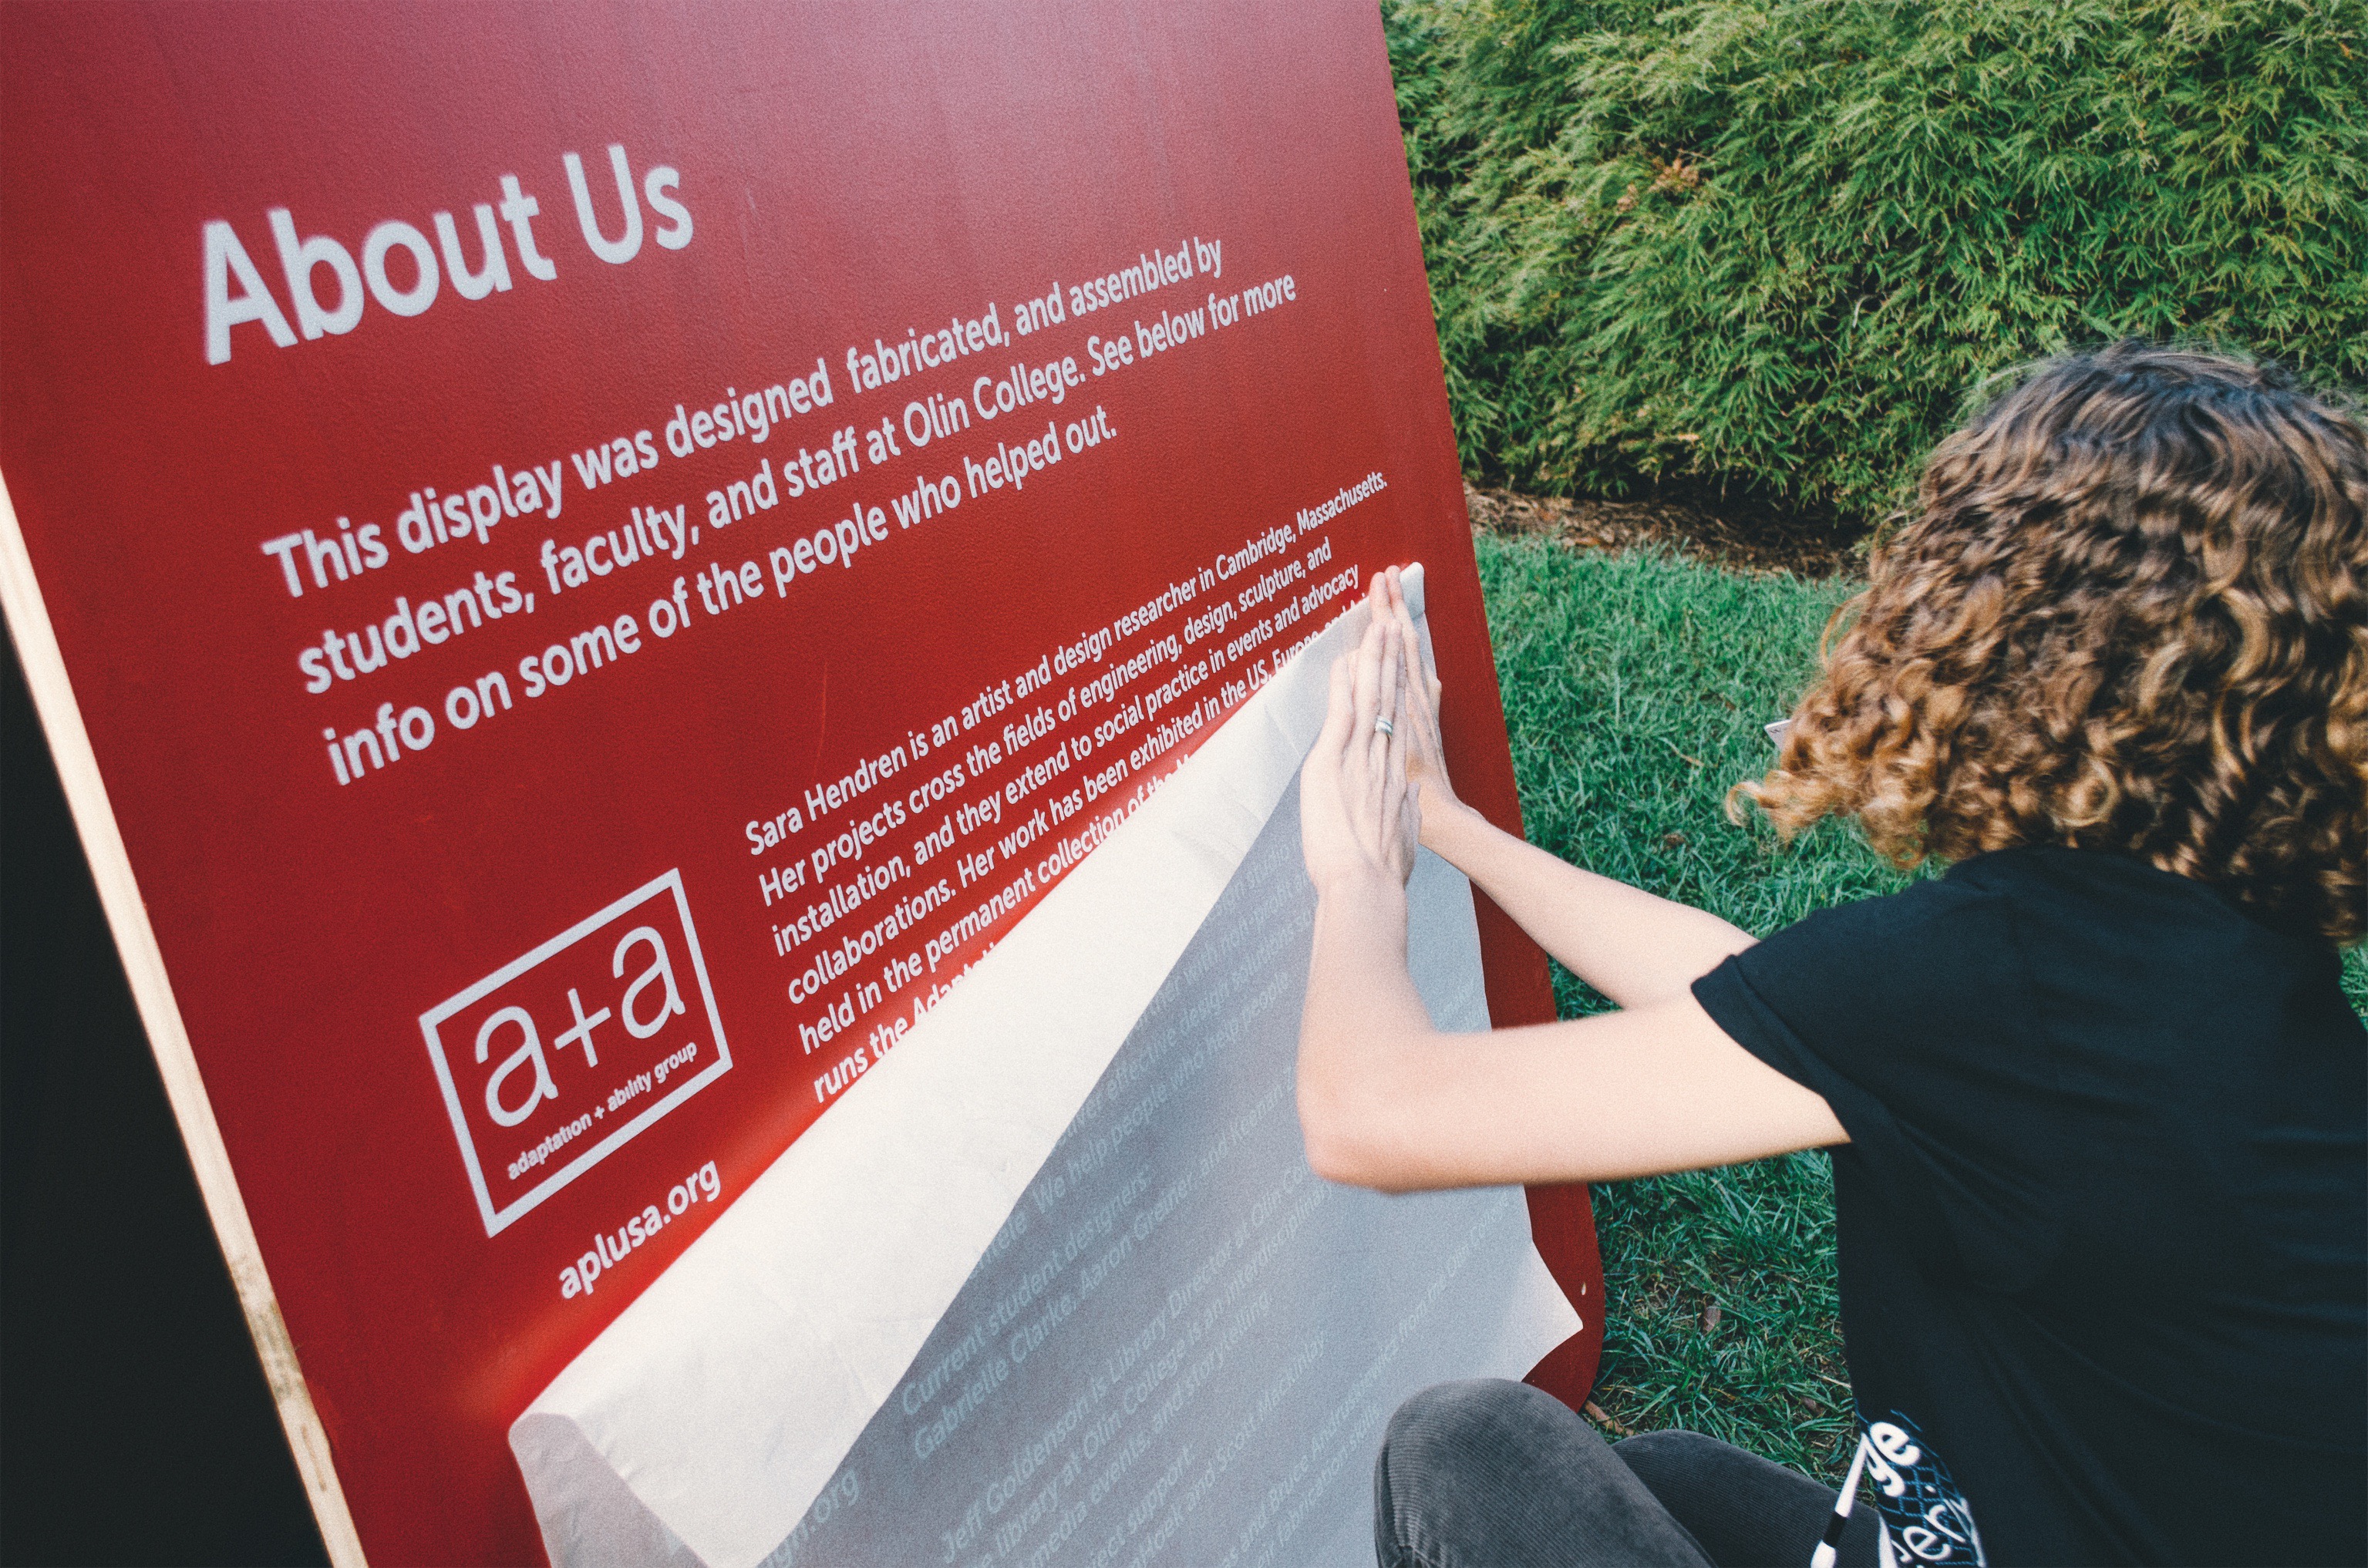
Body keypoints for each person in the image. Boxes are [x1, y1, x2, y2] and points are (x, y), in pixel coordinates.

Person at [1295, 344, 2366, 1566]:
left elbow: (1365, 1112)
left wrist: (1358, 874)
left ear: (2025, 640)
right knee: (1665, 1476)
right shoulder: (2201, 964)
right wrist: (1460, 832)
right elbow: (1770, 996)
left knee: (1468, 1451)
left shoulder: (2008, 982)